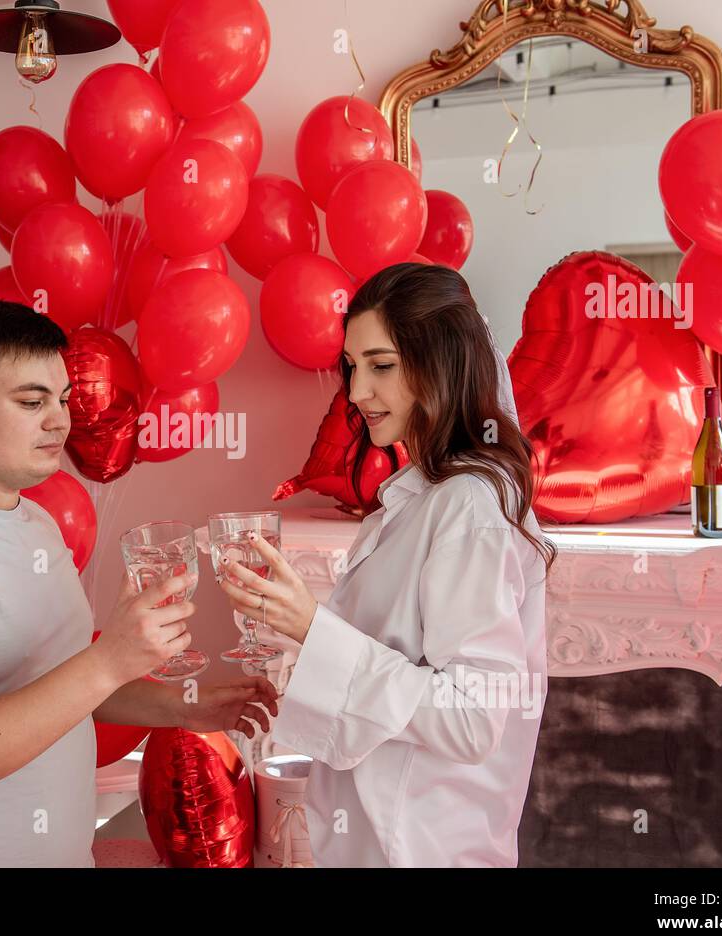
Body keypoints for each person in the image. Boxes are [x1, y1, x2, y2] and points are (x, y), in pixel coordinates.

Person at [0, 299, 278, 867]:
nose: (60, 420)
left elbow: (62, 689)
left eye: (64, 399)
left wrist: (184, 709)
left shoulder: (35, 521)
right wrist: (110, 659)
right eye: (31, 401)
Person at [217, 263, 556, 867]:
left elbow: (473, 719)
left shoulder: (467, 504)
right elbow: (390, 661)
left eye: (381, 365)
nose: (355, 392)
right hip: (379, 837)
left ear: (440, 363)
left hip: (421, 846)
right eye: (352, 367)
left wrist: (312, 628)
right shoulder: (414, 498)